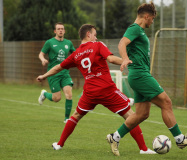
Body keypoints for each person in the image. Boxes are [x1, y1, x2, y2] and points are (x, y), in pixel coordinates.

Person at [36, 24, 156, 155]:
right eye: (95, 34)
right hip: (107, 90)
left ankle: (59, 144)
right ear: (88, 34)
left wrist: (44, 75)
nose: (96, 36)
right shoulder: (98, 45)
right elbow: (110, 59)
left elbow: (58, 67)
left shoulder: (75, 54)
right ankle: (143, 149)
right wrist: (126, 60)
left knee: (75, 116)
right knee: (131, 116)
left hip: (90, 93)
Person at [106, 1, 187, 156]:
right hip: (140, 74)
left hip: (139, 75)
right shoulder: (135, 29)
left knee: (142, 114)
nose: (152, 22)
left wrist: (127, 59)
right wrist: (125, 58)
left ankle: (114, 137)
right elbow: (122, 43)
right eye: (153, 19)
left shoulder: (139, 31)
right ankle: (180, 139)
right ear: (147, 16)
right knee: (166, 102)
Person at [38, 22, 75, 123]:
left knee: (69, 95)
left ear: (64, 31)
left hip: (65, 73)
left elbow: (75, 54)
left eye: (62, 29)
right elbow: (41, 54)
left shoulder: (68, 43)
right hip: (53, 73)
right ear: (55, 31)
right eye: (58, 29)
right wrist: (43, 60)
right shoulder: (49, 42)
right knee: (57, 98)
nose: (60, 30)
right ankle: (45, 94)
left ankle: (67, 118)